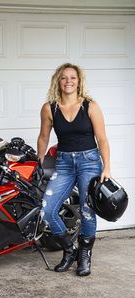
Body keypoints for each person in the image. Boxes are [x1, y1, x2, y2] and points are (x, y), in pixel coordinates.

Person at [37, 63, 110, 276]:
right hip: (64, 164)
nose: (68, 81)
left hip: (89, 161)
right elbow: (43, 137)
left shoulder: (90, 106)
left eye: (73, 77)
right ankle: (70, 251)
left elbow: (102, 139)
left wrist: (107, 167)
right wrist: (39, 162)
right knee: (48, 210)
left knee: (87, 211)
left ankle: (85, 255)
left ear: (79, 81)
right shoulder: (49, 108)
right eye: (63, 78)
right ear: (57, 81)